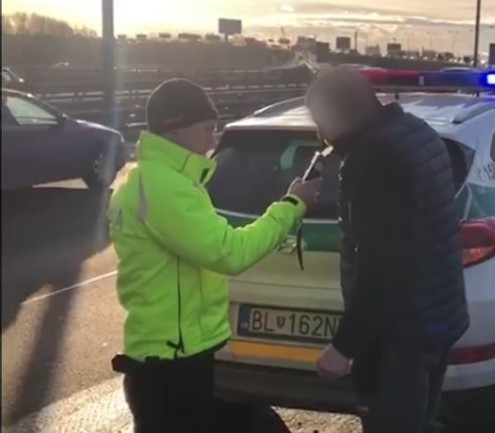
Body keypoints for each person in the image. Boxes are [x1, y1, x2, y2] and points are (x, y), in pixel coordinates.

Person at [108, 78, 321, 433]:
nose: (212, 140)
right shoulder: (165, 187)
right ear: (175, 127)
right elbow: (229, 253)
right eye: (207, 128)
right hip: (171, 361)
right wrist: (292, 205)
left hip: (172, 354)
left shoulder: (159, 179)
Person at [305, 69, 470, 433]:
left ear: (337, 115)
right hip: (434, 315)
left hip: (398, 336)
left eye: (319, 120)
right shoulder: (416, 132)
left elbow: (381, 265)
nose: (320, 133)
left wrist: (344, 346)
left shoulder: (375, 158)